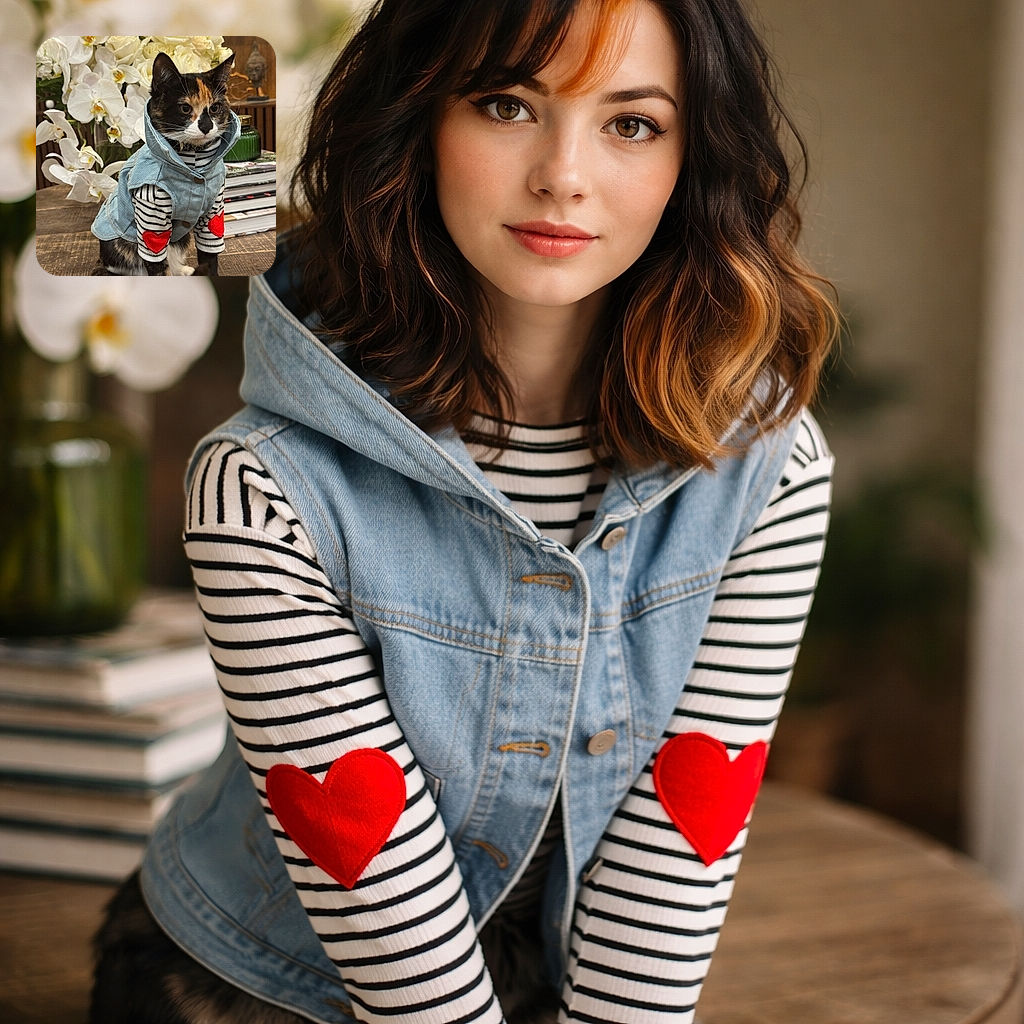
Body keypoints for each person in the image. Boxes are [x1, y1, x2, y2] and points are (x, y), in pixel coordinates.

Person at [90, 1, 838, 1022]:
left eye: (632, 123)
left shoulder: (772, 467)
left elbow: (677, 856)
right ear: (417, 122)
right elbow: (377, 888)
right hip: (257, 980)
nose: (563, 176)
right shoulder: (258, 484)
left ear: (692, 158)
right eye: (504, 103)